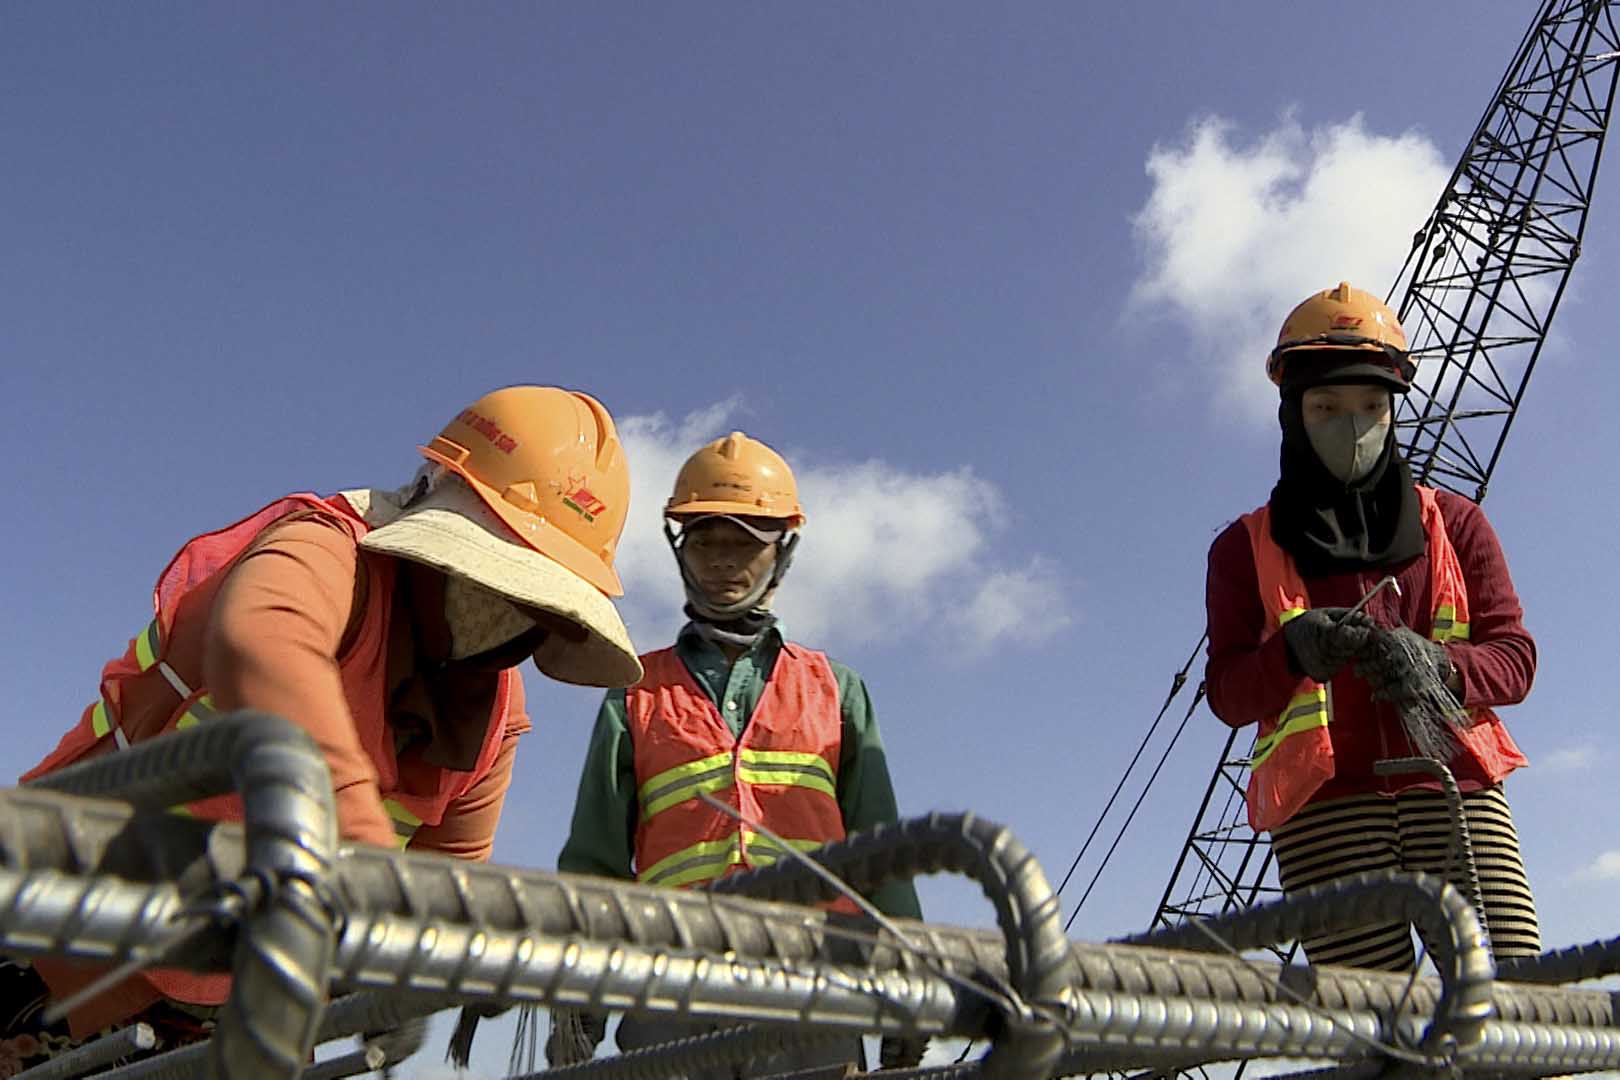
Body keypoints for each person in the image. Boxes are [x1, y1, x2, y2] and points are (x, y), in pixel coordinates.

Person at [4, 386, 643, 1072]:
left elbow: (443, 881)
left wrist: (401, 982)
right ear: (433, 500)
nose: (495, 613)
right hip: (58, 927)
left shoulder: (490, 721)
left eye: (526, 601)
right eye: (488, 575)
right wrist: (357, 843)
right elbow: (261, 641)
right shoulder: (327, 553)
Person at [549, 431, 926, 1074]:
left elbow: (880, 851)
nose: (724, 562)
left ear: (782, 553)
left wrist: (908, 976)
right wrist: (578, 994)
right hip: (669, 978)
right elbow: (596, 856)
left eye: (744, 544)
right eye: (706, 542)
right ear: (681, 551)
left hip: (814, 981)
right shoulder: (634, 692)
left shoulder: (837, 690)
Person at [1205, 282, 1541, 971]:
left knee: (1514, 1008)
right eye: (1326, 407)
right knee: (1378, 1033)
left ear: (1392, 412)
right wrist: (1293, 652)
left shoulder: (1456, 523)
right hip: (1328, 816)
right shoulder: (1244, 548)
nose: (1351, 425)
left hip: (1456, 797)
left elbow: (1514, 660)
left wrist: (1442, 665)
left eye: (1370, 407)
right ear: (1293, 415)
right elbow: (1229, 694)